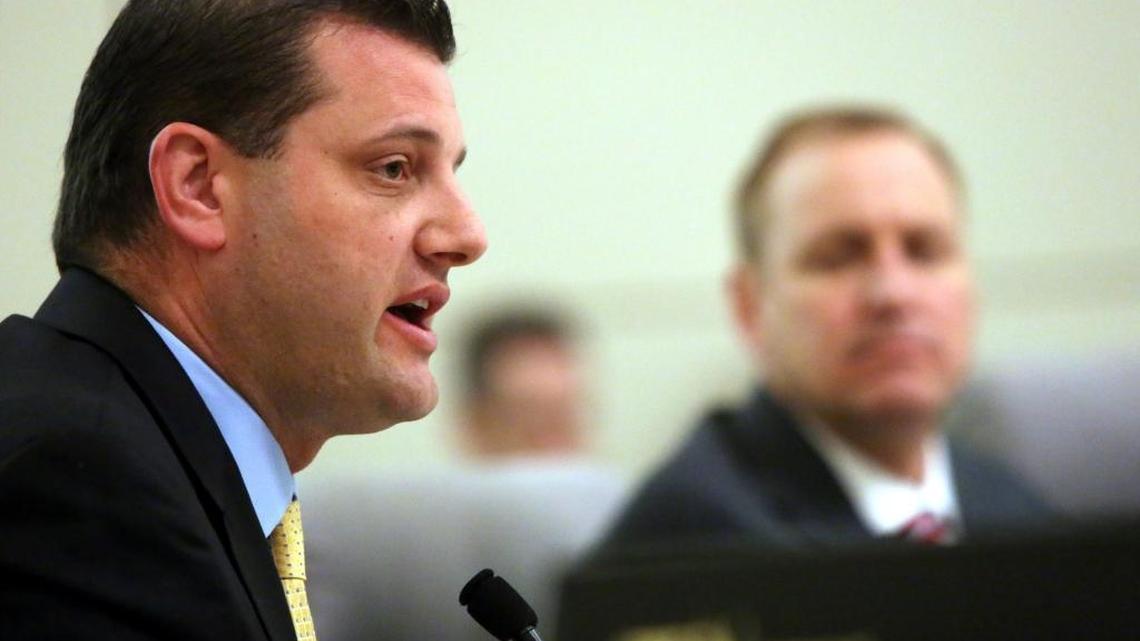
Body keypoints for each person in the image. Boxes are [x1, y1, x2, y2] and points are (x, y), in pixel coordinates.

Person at [0, 1, 485, 639]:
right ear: (198, 185)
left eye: (451, 173)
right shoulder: (77, 487)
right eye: (393, 168)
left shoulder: (148, 460)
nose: (467, 235)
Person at [602, 106, 1050, 550]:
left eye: (924, 251)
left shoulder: (1014, 507)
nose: (894, 293)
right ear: (749, 306)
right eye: (839, 257)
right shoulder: (693, 540)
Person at [305, 309, 626, 641]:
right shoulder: (391, 547)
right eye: (530, 423)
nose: (552, 451)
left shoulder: (624, 533)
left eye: (564, 419)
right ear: (472, 423)